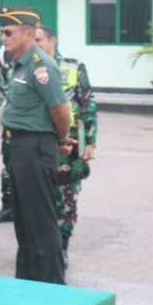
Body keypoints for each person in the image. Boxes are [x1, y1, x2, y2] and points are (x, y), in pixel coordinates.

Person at [0, 7, 71, 285]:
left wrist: (60, 140)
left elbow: (61, 111)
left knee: (40, 220)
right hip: (18, 146)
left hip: (35, 145)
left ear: (28, 33)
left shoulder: (41, 66)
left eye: (8, 32)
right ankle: (27, 281)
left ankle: (52, 285)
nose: (3, 37)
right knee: (24, 221)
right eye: (2, 32)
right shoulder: (20, 64)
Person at [34, 25, 98, 269]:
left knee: (67, 198)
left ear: (53, 40)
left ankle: (62, 247)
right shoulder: (29, 67)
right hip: (38, 142)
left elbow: (87, 103)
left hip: (68, 145)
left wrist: (90, 141)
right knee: (40, 198)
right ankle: (42, 247)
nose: (36, 44)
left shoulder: (72, 67)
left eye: (39, 39)